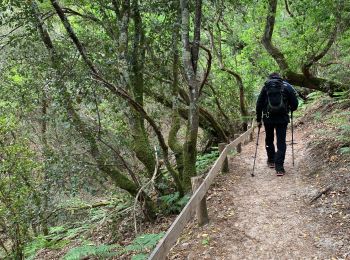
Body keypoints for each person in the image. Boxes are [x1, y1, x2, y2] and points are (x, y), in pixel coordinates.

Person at [256, 73, 298, 176]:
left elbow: (259, 103)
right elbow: (295, 104)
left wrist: (258, 119)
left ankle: (271, 160)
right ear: (280, 78)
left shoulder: (266, 87)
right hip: (282, 118)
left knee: (269, 139)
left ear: (270, 78)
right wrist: (289, 109)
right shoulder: (287, 86)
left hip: (268, 118)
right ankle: (279, 167)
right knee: (281, 142)